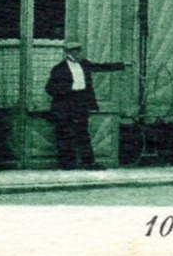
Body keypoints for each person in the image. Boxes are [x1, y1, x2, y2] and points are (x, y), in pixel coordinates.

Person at [45, 40, 131, 170]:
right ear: (67, 52)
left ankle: (89, 163)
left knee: (83, 133)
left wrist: (122, 65)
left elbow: (101, 67)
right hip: (65, 105)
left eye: (78, 50)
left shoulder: (84, 64)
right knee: (65, 134)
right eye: (74, 50)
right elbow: (50, 89)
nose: (77, 53)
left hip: (81, 103)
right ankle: (67, 164)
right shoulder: (59, 68)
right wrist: (69, 88)